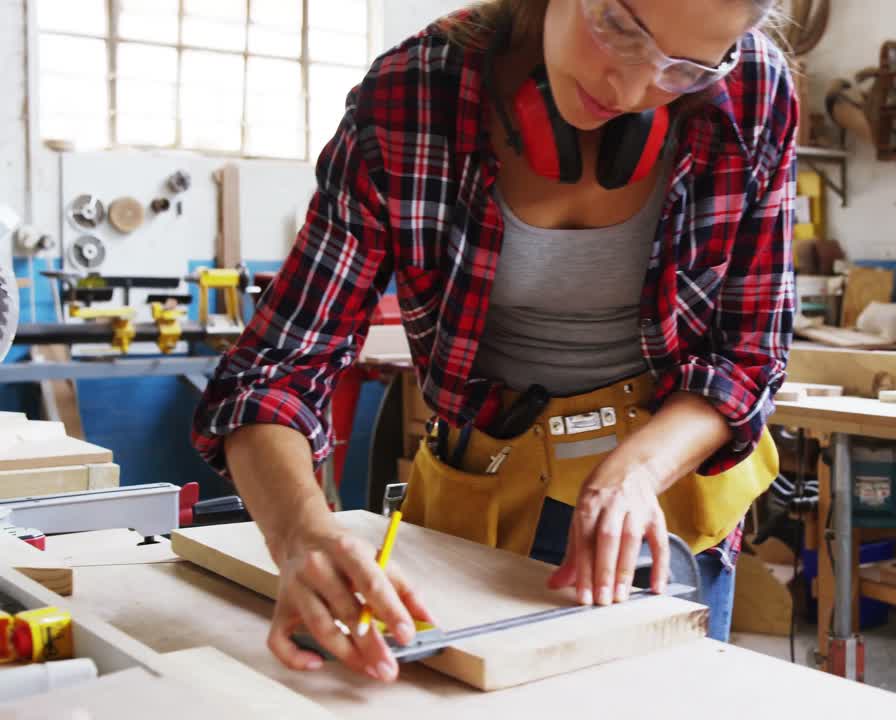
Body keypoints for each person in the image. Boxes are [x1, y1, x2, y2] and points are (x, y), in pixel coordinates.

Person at [191, 0, 797, 684]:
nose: (631, 90)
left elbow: (747, 357)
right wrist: (300, 530)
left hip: (667, 500)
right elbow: (273, 371)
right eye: (620, 30)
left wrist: (636, 474)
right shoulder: (413, 96)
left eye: (683, 70)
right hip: (484, 495)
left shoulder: (752, 90)